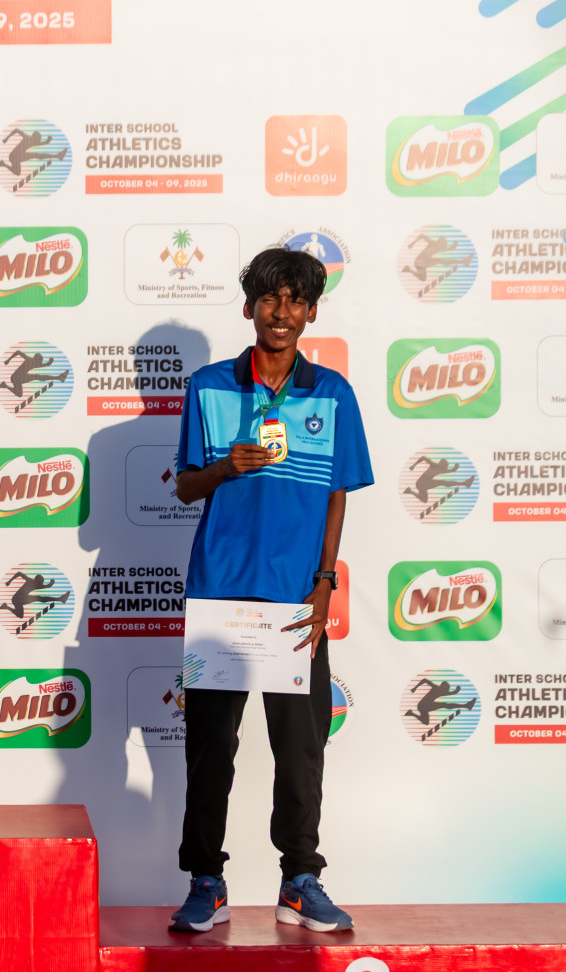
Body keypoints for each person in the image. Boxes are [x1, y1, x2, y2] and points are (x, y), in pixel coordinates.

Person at [169, 248, 372, 933]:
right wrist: (224, 467)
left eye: (295, 301)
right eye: (269, 299)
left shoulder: (332, 393)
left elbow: (338, 493)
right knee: (209, 747)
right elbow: (186, 485)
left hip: (293, 600)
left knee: (300, 750)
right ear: (248, 306)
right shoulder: (208, 386)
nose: (281, 313)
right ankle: (206, 879)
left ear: (311, 311)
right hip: (219, 595)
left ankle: (300, 878)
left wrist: (324, 582)